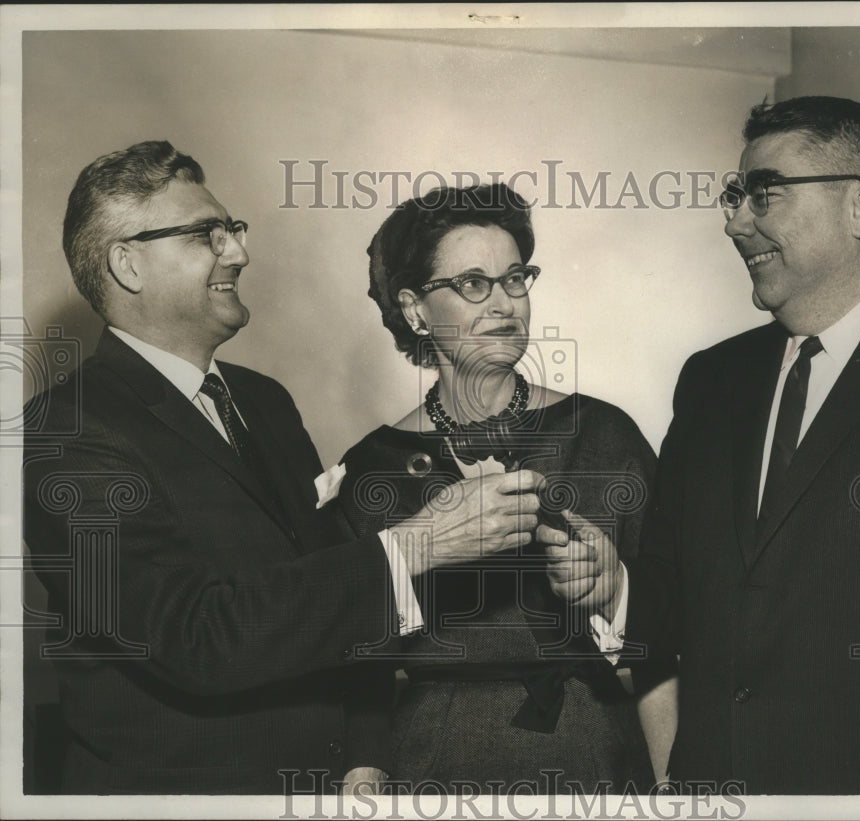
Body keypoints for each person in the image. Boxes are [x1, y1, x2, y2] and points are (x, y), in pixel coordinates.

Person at [21, 142, 545, 794]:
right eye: (206, 234)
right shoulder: (64, 432)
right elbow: (196, 638)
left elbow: (330, 591)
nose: (238, 252)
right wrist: (419, 541)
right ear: (127, 263)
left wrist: (364, 749)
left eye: (233, 230)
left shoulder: (264, 401)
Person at [539, 96, 860, 794]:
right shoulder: (712, 379)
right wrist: (613, 586)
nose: (734, 220)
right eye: (734, 195)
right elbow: (675, 596)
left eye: (762, 193)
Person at [334, 183, 677, 794]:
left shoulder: (604, 435)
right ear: (414, 309)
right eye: (473, 283)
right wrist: (364, 773)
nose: (503, 304)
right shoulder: (372, 468)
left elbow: (670, 638)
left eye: (514, 278)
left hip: (596, 755)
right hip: (434, 765)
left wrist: (676, 787)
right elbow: (358, 663)